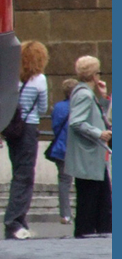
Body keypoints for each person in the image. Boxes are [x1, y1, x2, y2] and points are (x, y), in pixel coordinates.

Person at [4, 40, 49, 239]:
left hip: (13, 128)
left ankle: (20, 219)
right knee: (25, 176)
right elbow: (42, 108)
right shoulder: (40, 80)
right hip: (29, 128)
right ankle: (13, 221)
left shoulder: (12, 78)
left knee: (18, 172)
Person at [66, 55, 111, 238]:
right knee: (93, 201)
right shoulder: (84, 95)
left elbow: (100, 117)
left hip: (93, 158)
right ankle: (92, 232)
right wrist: (98, 133)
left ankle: (100, 231)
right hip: (89, 157)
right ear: (94, 75)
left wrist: (103, 97)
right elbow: (76, 122)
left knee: (100, 200)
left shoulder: (85, 93)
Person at [48, 77, 78, 225]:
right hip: (74, 148)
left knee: (63, 182)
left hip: (60, 148)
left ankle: (65, 214)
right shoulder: (79, 106)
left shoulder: (58, 107)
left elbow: (54, 127)